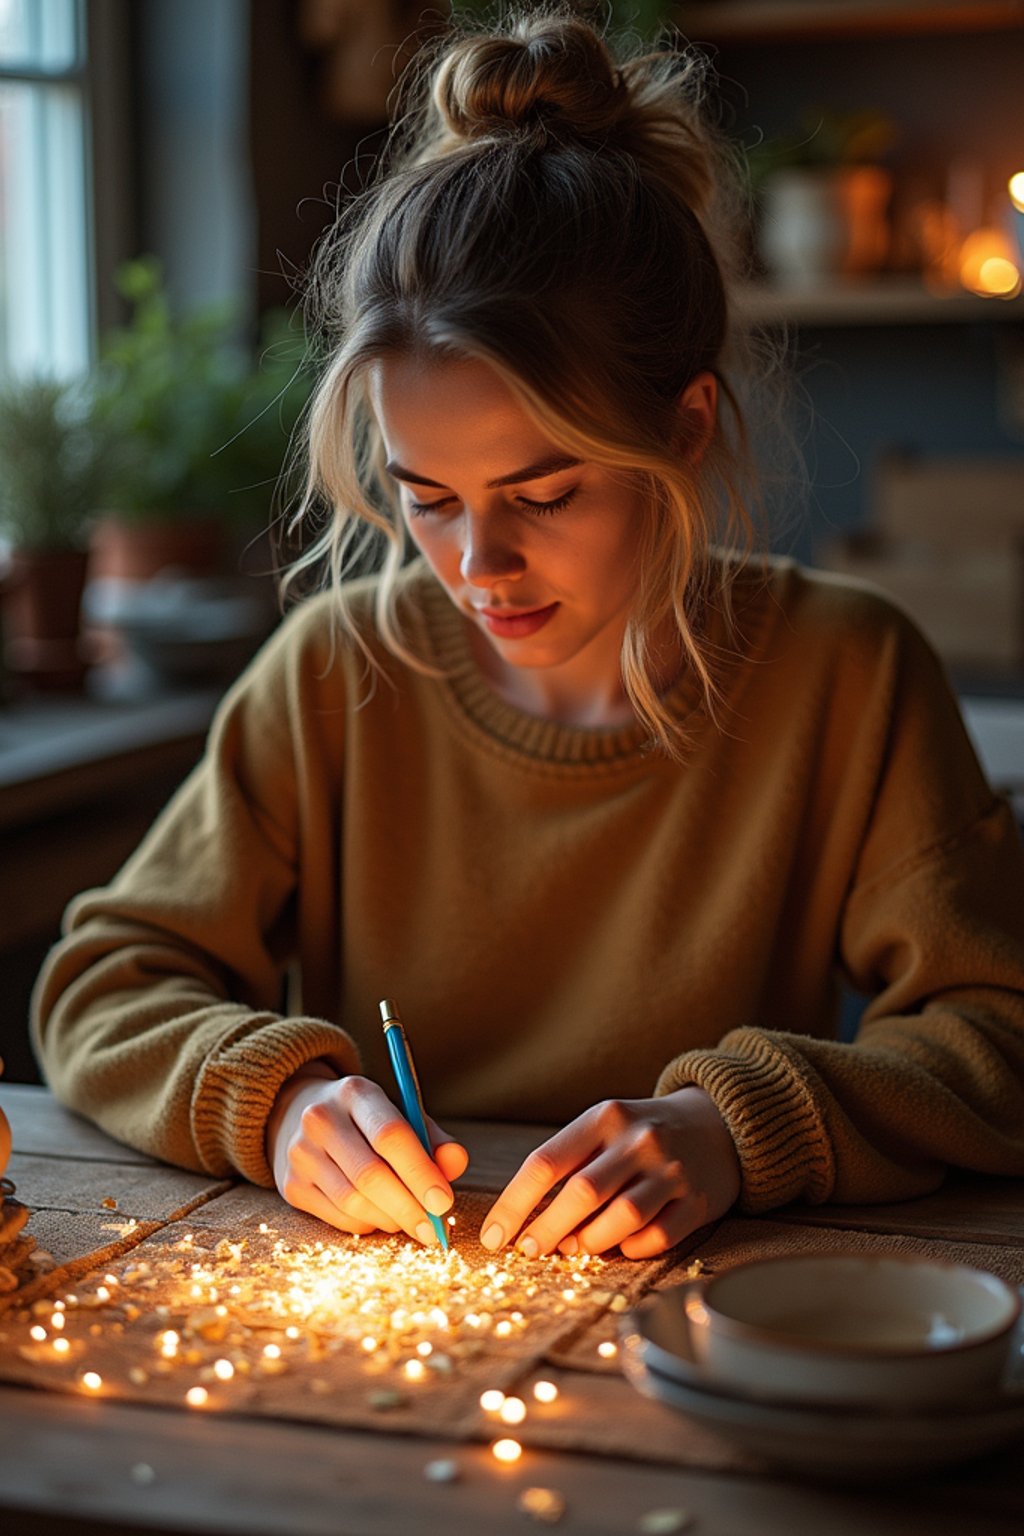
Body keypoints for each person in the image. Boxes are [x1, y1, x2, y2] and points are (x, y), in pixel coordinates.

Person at [32, 9, 1024, 1263]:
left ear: (684, 427)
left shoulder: (846, 674)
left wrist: (731, 1128)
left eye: (543, 496)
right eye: (424, 498)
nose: (473, 567)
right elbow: (100, 981)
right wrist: (274, 1102)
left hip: (716, 1316)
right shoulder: (335, 669)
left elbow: (997, 1028)